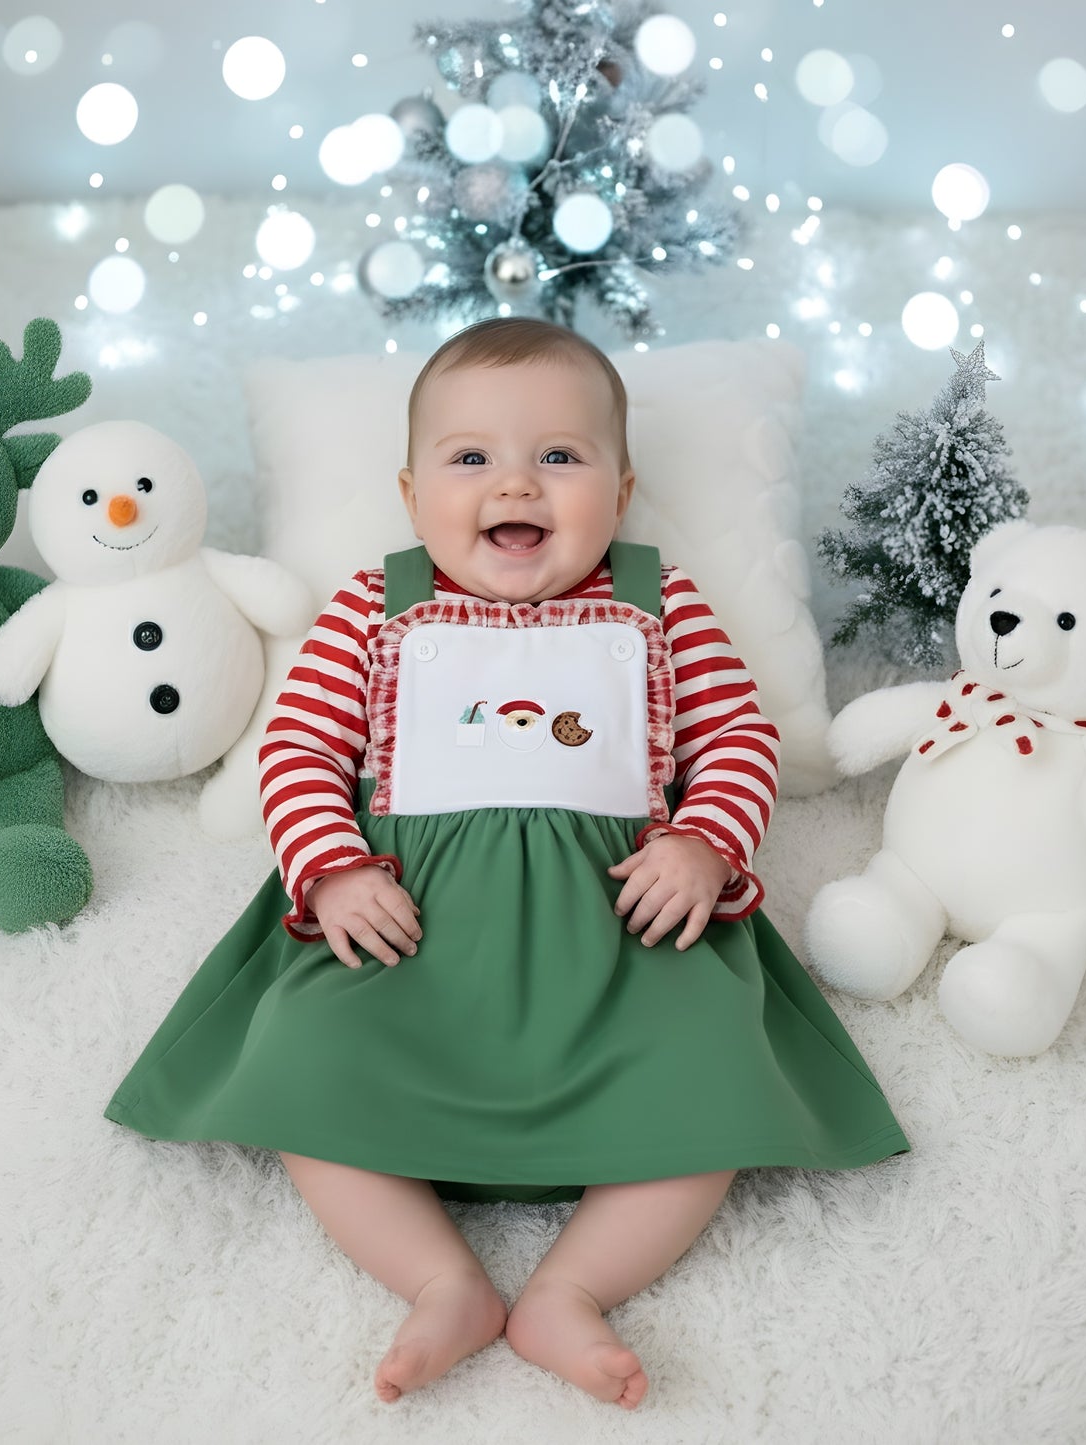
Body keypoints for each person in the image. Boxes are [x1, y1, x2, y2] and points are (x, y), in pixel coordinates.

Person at [106, 317, 908, 1409]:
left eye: (559, 457)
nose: (514, 484)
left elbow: (735, 737)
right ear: (410, 490)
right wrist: (334, 869)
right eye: (471, 457)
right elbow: (296, 750)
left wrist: (700, 841)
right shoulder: (370, 606)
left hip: (623, 930)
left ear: (618, 493)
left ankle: (569, 1289)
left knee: (715, 1073)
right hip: (410, 929)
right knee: (296, 1060)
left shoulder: (656, 602)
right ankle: (442, 1280)